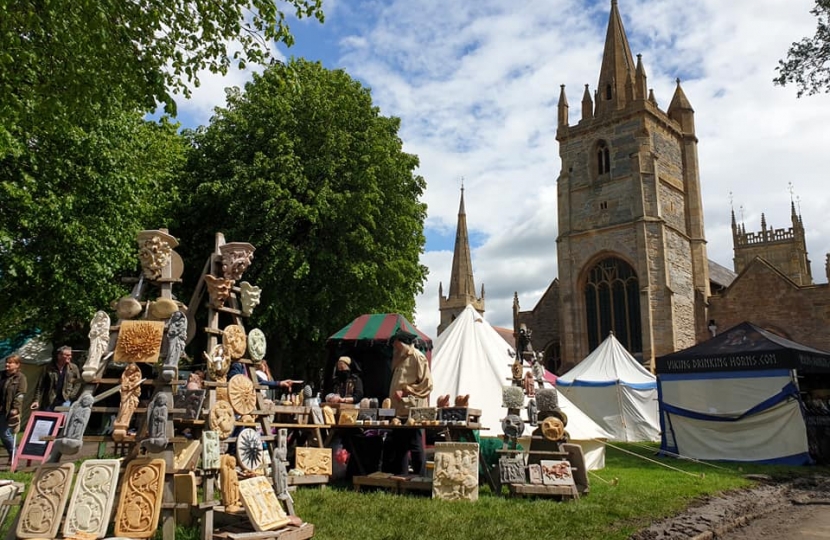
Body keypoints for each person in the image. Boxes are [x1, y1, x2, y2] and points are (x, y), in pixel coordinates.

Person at [384, 328, 433, 476]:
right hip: (399, 410)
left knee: (416, 445)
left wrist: (405, 390)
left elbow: (427, 384)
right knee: (400, 446)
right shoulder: (400, 358)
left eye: (397, 344)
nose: (394, 346)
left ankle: (421, 479)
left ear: (402, 343)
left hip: (413, 410)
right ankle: (402, 478)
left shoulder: (418, 357)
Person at [31, 345, 82, 411]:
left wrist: (71, 395)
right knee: (48, 419)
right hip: (50, 400)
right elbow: (40, 385)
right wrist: (36, 400)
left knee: (63, 419)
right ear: (59, 355)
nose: (69, 357)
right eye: (67, 355)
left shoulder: (73, 368)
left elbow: (78, 383)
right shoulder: (48, 368)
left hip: (65, 400)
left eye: (70, 355)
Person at [0, 355, 27, 461]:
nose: (7, 364)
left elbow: (20, 394)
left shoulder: (20, 378)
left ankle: (14, 454)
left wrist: (15, 408)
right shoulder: (1, 375)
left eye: (10, 363)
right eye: (7, 362)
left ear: (17, 365)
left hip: (9, 410)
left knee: (4, 433)